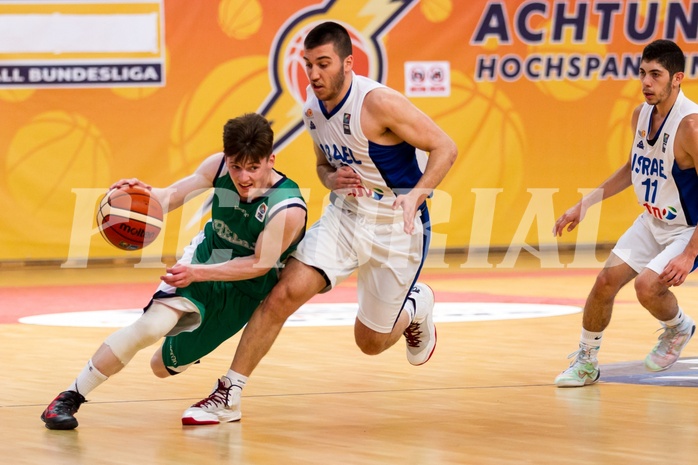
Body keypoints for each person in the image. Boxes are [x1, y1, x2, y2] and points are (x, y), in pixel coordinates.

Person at [182, 21, 458, 425]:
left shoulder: (378, 102)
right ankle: (229, 393)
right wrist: (333, 178)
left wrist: (417, 194)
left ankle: (417, 305)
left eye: (323, 64)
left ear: (348, 62)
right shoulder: (312, 107)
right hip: (345, 216)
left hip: (395, 225)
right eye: (308, 64)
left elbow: (445, 147)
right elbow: (322, 167)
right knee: (281, 294)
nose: (313, 74)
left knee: (371, 342)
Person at [40, 113, 307, 429]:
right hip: (207, 257)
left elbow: (257, 264)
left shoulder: (287, 207)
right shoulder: (217, 167)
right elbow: (168, 197)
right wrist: (136, 197)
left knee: (161, 367)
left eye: (253, 167)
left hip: (247, 286)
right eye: (236, 166)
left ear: (270, 159)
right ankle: (69, 397)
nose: (244, 177)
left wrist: (199, 275)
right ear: (226, 159)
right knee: (151, 327)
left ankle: (190, 339)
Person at [553, 39, 698, 388]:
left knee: (648, 287)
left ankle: (677, 328)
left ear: (677, 78)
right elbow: (635, 166)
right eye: (643, 73)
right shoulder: (640, 114)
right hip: (652, 222)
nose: (646, 82)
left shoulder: (690, 127)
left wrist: (690, 252)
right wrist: (585, 203)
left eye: (656, 75)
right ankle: (586, 361)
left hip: (686, 228)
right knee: (604, 283)